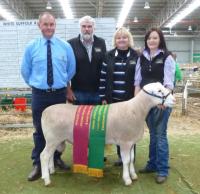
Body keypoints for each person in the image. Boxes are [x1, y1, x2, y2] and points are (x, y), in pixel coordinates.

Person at [21, 12, 76, 181]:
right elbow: (25, 71)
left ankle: (56, 158)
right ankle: (38, 163)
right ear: (39, 25)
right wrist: (37, 85)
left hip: (59, 95)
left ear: (55, 26)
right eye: (45, 24)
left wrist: (63, 84)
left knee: (60, 129)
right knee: (40, 129)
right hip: (39, 95)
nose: (49, 28)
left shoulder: (65, 46)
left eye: (51, 24)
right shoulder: (31, 47)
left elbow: (71, 69)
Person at [134, 28, 175, 184]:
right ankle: (152, 164)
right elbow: (137, 81)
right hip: (146, 103)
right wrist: (135, 102)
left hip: (161, 104)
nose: (152, 41)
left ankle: (162, 169)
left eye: (155, 38)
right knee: (152, 134)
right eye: (149, 38)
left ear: (160, 40)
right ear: (146, 40)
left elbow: (169, 83)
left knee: (160, 135)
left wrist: (164, 101)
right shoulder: (141, 57)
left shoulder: (167, 57)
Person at [99, 27, 138, 166]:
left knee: (130, 130)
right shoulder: (108, 56)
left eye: (125, 37)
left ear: (129, 39)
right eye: (119, 38)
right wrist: (103, 97)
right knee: (116, 128)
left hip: (130, 101)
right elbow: (103, 78)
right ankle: (121, 157)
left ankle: (130, 158)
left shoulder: (136, 56)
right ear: (115, 40)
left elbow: (139, 79)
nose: (122, 40)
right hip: (112, 101)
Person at [67, 15, 106, 105]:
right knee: (80, 119)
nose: (87, 29)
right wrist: (68, 90)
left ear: (94, 28)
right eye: (84, 26)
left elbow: (104, 67)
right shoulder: (71, 44)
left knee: (96, 119)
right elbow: (66, 69)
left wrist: (104, 93)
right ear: (80, 28)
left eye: (89, 26)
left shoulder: (101, 42)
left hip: (97, 92)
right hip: (78, 92)